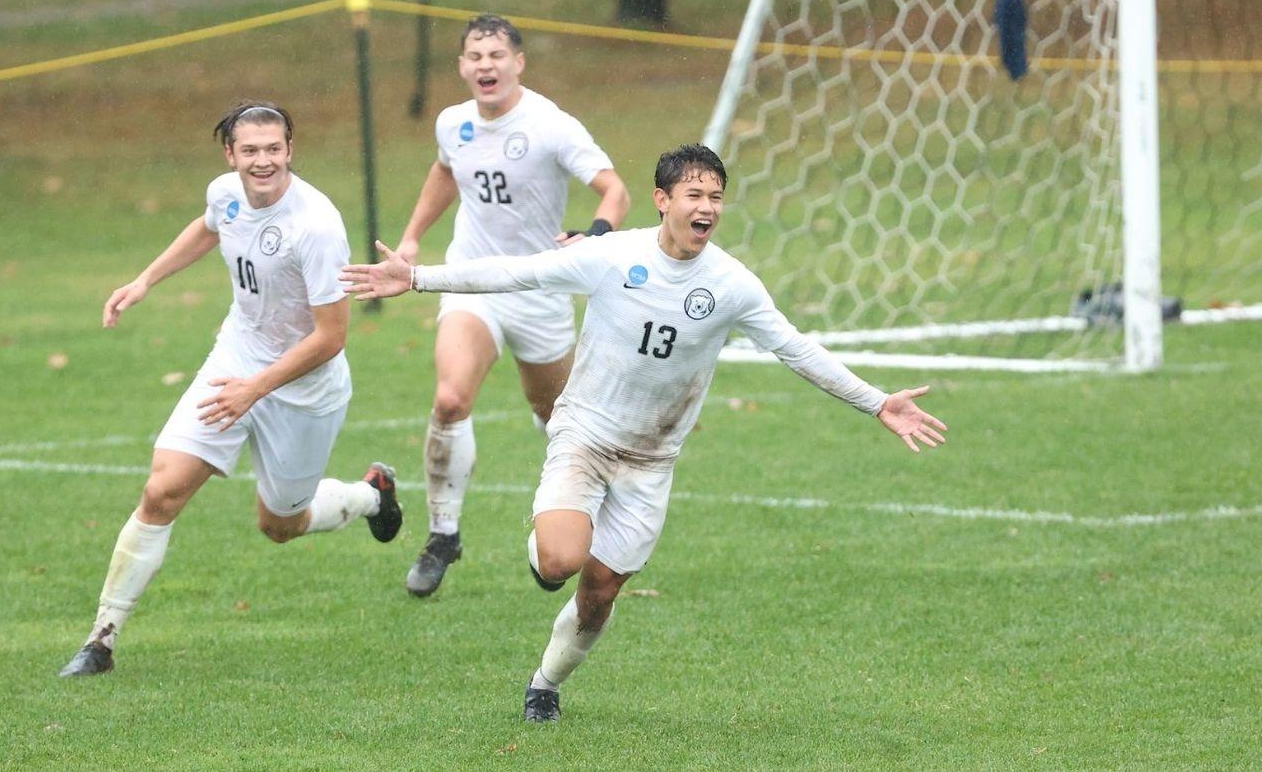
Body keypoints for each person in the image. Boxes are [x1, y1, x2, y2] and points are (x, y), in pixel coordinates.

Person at [340, 143, 948, 722]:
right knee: (557, 562)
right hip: (583, 435)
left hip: (652, 461)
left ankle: (544, 686)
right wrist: (417, 279)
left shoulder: (733, 285)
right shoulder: (611, 256)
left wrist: (877, 404)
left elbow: (795, 349)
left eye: (716, 195)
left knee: (599, 592)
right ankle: (548, 544)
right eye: (693, 193)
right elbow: (520, 273)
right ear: (662, 199)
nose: (706, 206)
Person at [58, 101, 403, 677]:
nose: (263, 161)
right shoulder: (226, 191)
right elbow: (208, 226)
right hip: (235, 358)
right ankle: (101, 639)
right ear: (231, 154)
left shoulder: (316, 226)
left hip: (303, 388)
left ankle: (371, 495)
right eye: (250, 151)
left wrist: (255, 391)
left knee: (279, 526)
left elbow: (332, 337)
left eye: (274, 149)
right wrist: (145, 280)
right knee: (162, 490)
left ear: (290, 149)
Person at [395, 13, 630, 597]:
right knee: (450, 399)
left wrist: (596, 234)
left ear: (518, 62)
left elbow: (614, 188)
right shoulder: (453, 123)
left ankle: (567, 528)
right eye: (475, 57)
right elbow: (446, 173)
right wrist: (412, 237)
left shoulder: (550, 125)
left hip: (539, 289)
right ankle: (443, 534)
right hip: (471, 278)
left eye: (497, 55)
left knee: (560, 420)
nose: (486, 66)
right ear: (462, 67)